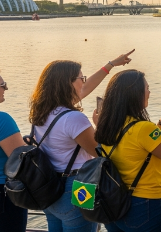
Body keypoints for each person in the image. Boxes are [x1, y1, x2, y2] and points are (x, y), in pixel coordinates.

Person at [31, 51, 134, 232]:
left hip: (49, 187)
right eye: (81, 78)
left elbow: (85, 90)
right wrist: (100, 125)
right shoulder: (74, 119)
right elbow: (100, 153)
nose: (84, 82)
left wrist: (110, 64)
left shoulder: (42, 112)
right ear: (68, 84)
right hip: (77, 187)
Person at [95, 69, 161, 232]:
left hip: (114, 203)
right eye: (146, 88)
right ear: (135, 94)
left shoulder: (107, 125)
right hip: (146, 205)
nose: (149, 92)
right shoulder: (143, 128)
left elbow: (142, 146)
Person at [0, 73, 26, 232]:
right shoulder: (3, 120)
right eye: (2, 84)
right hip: (5, 197)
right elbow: (22, 161)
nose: (6, 88)